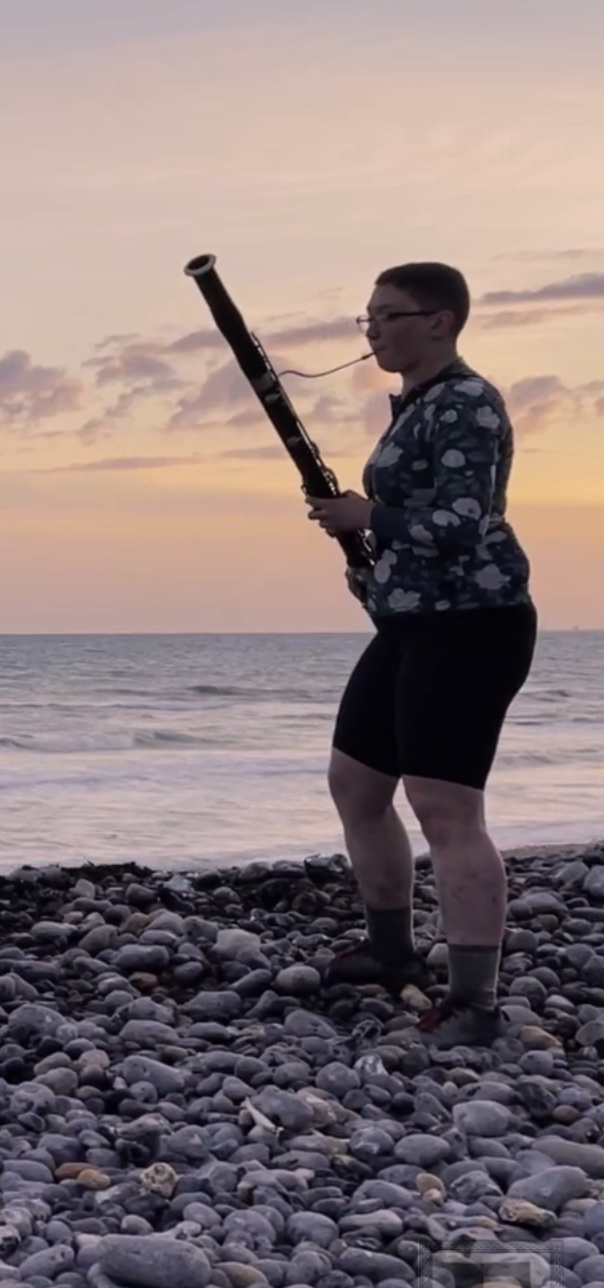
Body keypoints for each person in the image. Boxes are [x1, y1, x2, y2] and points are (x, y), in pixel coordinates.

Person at [302, 261, 537, 1049]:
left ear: (439, 320)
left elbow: (464, 523)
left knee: (446, 810)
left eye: (388, 315)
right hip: (411, 623)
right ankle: (392, 951)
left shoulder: (468, 402)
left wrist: (368, 511)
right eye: (365, 317)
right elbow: (413, 526)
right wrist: (358, 546)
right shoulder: (416, 406)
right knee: (356, 784)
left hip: (472, 625)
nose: (371, 330)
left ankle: (473, 1002)